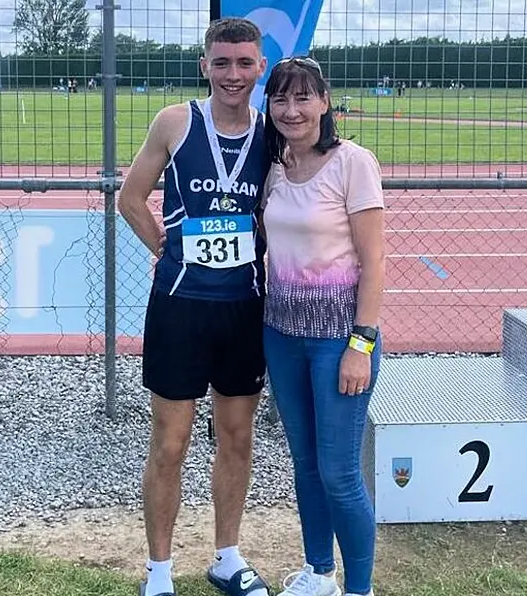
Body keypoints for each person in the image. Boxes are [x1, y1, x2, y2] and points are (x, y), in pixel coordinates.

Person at [118, 17, 271, 596]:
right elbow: (131, 199)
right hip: (180, 306)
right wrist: (168, 248)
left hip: (243, 309)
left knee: (236, 436)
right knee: (171, 440)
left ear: (260, 67)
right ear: (205, 66)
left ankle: (226, 557)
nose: (234, 74)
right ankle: (159, 571)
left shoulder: (271, 134)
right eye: (222, 62)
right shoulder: (176, 122)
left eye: (245, 62)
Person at [260, 56, 385, 596]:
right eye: (281, 98)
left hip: (339, 340)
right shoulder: (272, 165)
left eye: (303, 97)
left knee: (339, 473)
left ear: (325, 101)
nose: (291, 110)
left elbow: (375, 263)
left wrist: (361, 344)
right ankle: (318, 574)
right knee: (306, 465)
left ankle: (359, 589)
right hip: (281, 335)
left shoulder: (353, 162)